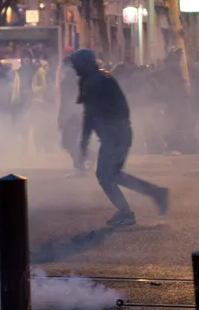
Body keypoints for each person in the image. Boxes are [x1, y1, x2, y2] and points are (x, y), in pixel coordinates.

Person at [69, 48, 169, 226]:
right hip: (118, 133)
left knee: (105, 175)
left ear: (85, 64)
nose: (74, 68)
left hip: (114, 134)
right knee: (112, 174)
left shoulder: (93, 81)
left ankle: (126, 212)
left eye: (77, 65)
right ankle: (155, 193)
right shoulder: (99, 78)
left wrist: (83, 144)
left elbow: (90, 116)